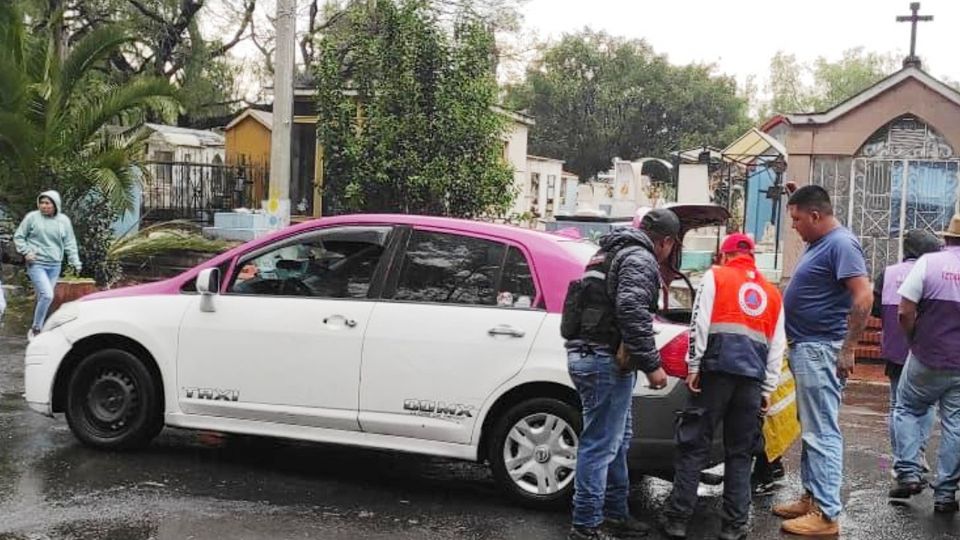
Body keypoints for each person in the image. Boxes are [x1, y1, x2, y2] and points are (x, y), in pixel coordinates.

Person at [660, 233, 785, 540]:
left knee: (694, 445)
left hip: (716, 373)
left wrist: (693, 365)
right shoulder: (772, 293)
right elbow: (777, 346)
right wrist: (767, 389)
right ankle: (734, 525)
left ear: (724, 255)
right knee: (741, 453)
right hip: (752, 381)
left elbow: (699, 322)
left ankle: (677, 519)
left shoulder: (715, 276)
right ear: (751, 256)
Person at [562, 208, 677, 540]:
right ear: (667, 242)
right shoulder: (640, 258)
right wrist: (653, 365)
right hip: (603, 360)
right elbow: (630, 310)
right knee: (600, 444)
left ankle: (614, 512)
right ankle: (585, 524)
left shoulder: (607, 252)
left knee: (617, 439)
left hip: (590, 354)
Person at [773, 185, 871, 536]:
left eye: (798, 219)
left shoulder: (842, 244)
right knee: (811, 427)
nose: (795, 226)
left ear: (816, 216)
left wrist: (848, 348)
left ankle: (827, 514)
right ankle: (812, 498)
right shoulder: (821, 242)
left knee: (821, 431)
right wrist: (798, 194)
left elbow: (863, 296)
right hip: (806, 347)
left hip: (820, 350)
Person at [888, 214, 960, 514]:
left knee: (906, 407)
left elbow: (904, 312)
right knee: (956, 424)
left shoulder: (928, 263)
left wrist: (913, 339)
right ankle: (945, 494)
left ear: (946, 239)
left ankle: (908, 472)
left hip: (926, 356)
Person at [872, 229, 941, 475]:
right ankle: (918, 454)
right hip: (925, 351)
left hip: (895, 349)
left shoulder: (887, 274)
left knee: (897, 406)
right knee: (926, 405)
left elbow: (876, 309)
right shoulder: (933, 272)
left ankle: (901, 457)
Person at [13, 190, 82, 340]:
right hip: (36, 264)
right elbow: (19, 236)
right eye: (42, 203)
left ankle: (43, 325)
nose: (44, 206)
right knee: (47, 295)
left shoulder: (63, 221)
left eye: (47, 203)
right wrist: (26, 252)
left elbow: (70, 242)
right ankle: (36, 328)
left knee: (44, 297)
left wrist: (75, 261)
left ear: (55, 205)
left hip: (54, 265)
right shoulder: (32, 218)